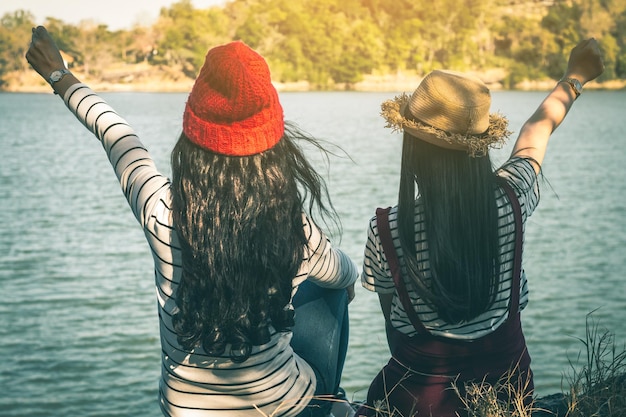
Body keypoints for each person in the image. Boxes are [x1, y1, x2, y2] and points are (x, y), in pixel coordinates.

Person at [26, 26, 358, 417]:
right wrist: (345, 286)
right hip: (283, 404)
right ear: (272, 148)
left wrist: (58, 75)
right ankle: (334, 403)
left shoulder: (159, 208)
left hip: (185, 409)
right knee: (331, 290)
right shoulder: (293, 229)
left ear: (192, 138)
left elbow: (116, 134)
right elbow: (343, 274)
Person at [357, 39, 604, 417]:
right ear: (480, 146)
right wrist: (575, 77)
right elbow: (535, 134)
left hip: (416, 398)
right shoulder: (513, 197)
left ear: (414, 147)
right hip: (509, 388)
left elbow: (393, 319)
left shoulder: (388, 229)